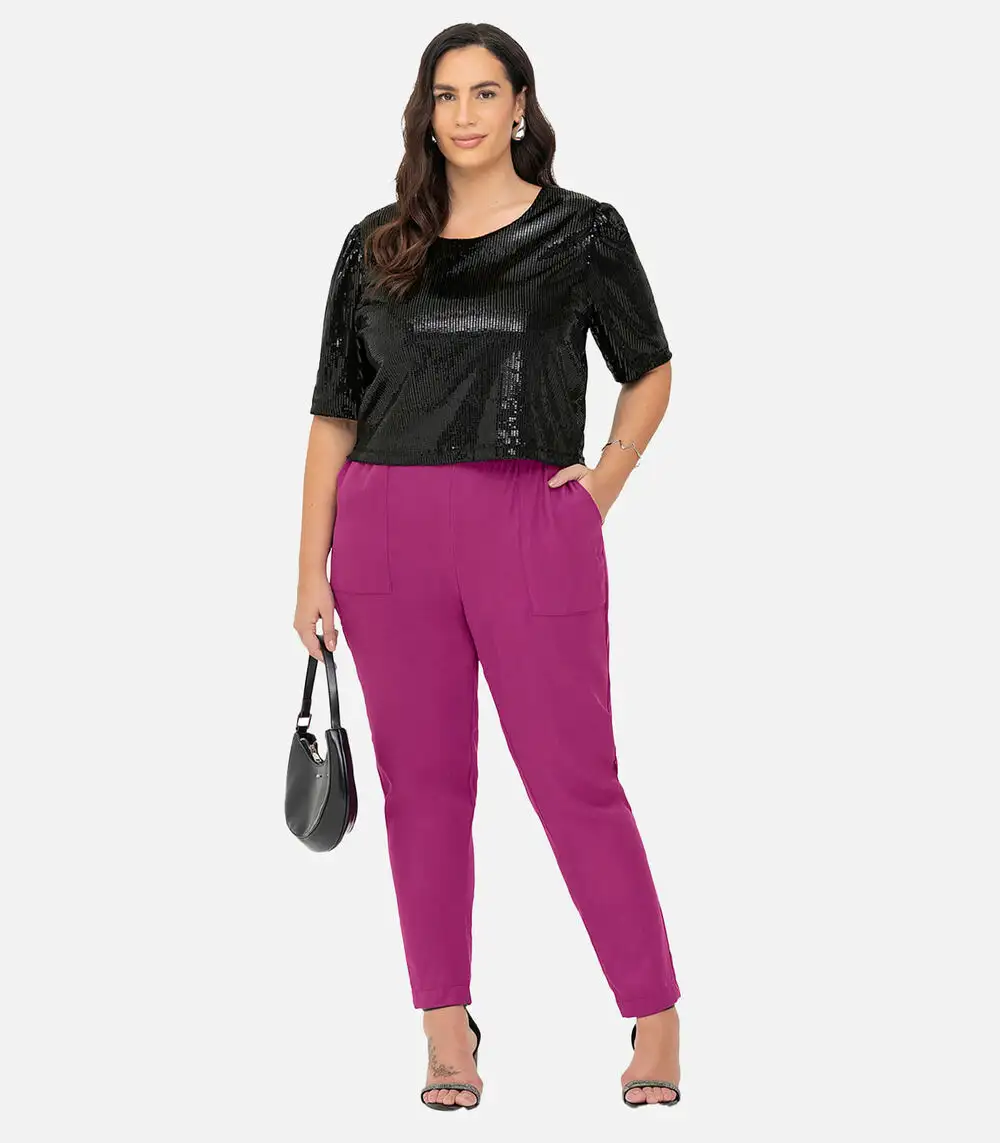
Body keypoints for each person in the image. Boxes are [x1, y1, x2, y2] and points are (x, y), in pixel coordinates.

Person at [294, 22, 682, 1111]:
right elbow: (333, 413)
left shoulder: (582, 232)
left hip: (528, 521)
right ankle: (444, 1028)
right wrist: (308, 568)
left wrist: (603, 481)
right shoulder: (375, 247)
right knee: (423, 790)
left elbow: (650, 368)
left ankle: (654, 1014)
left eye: (484, 92)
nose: (462, 114)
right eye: (444, 94)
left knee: (575, 778)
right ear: (424, 114)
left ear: (520, 107)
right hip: (383, 532)